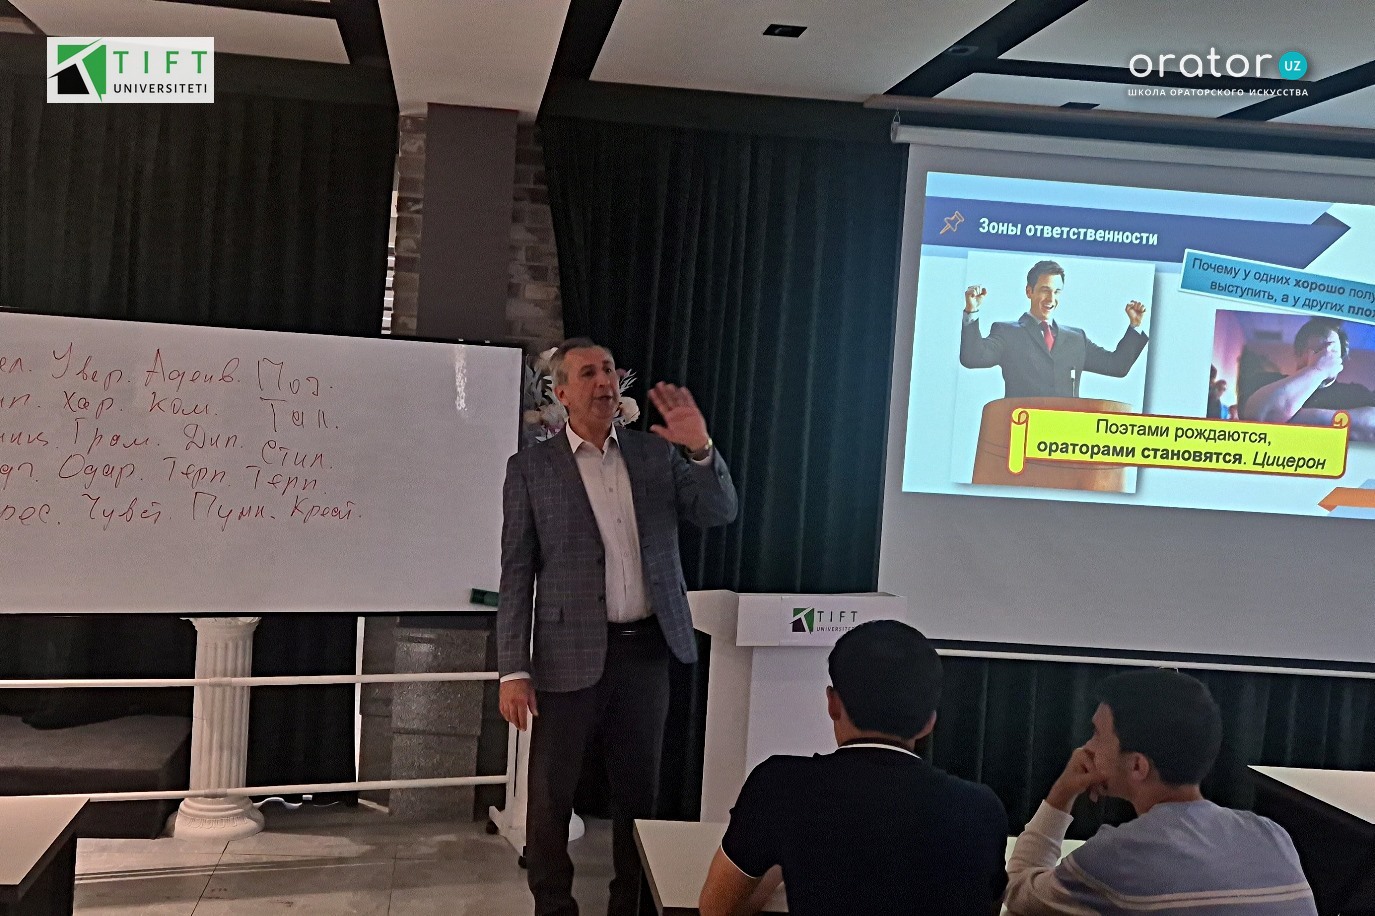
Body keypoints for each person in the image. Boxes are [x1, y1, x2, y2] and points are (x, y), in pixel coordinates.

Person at [498, 337, 738, 916]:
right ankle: (553, 904)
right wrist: (512, 669)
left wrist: (700, 449)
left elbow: (718, 511)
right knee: (551, 797)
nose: (604, 382)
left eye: (608, 370)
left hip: (646, 650)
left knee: (639, 796)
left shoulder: (655, 455)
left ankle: (628, 904)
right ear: (561, 394)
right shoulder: (530, 468)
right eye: (588, 374)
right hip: (565, 653)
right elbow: (516, 571)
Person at [699, 620, 1010, 916]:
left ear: (833, 703)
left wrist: (786, 853)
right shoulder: (982, 810)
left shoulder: (780, 787)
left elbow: (717, 908)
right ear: (930, 721)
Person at [1005, 669, 1316, 915]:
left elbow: (1017, 889)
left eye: (1098, 734)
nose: (1087, 747)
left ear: (1138, 766)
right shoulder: (1272, 837)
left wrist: (1061, 793)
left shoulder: (1117, 857)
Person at [960, 259, 1149, 399]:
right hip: (1022, 432)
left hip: (1062, 436)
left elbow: (1117, 366)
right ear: (1029, 291)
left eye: (1057, 292)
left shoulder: (1076, 339)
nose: (1051, 299)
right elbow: (973, 357)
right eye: (1045, 290)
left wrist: (1135, 326)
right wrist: (972, 310)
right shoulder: (1007, 333)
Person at [1242, 317, 1375, 439]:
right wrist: (1318, 369)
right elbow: (1257, 418)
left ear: (1340, 361)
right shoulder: (1266, 381)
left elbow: (1371, 425)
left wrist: (1305, 418)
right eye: (1318, 352)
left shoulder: (1355, 393)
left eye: (1331, 353)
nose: (1324, 357)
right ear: (1298, 354)